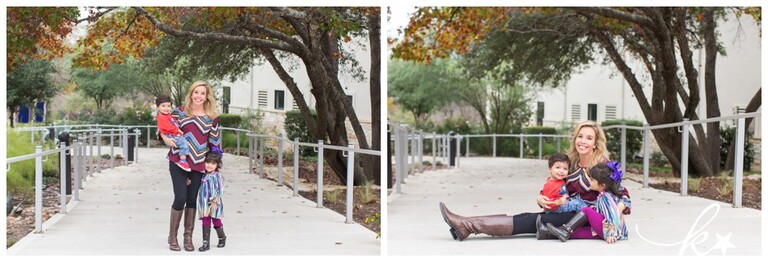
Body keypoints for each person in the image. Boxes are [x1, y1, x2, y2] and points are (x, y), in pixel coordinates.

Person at [439, 121, 632, 241]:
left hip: (586, 219)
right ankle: (465, 227)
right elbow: (553, 187)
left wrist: (612, 216)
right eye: (580, 136)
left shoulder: (603, 166)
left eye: (589, 138)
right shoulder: (568, 163)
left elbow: (623, 195)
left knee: (529, 220)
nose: (582, 141)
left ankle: (467, 226)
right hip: (564, 211)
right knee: (529, 218)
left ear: (596, 143)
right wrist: (541, 198)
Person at [164, 81, 221, 251]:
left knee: (191, 200)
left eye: (202, 93)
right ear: (191, 94)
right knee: (180, 197)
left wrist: (215, 169)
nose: (198, 96)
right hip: (178, 161)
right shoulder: (179, 112)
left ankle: (187, 238)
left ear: (207, 96)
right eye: (196, 92)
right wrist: (166, 139)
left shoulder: (212, 118)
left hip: (198, 164)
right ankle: (172, 237)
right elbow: (163, 128)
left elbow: (215, 145)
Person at [546, 161, 628, 244]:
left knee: (586, 210)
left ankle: (566, 229)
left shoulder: (606, 197)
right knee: (575, 232)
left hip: (609, 231)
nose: (589, 181)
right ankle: (544, 232)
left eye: (592, 180)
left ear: (602, 185)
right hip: (603, 229)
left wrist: (612, 234)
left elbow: (612, 216)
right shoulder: (604, 195)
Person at [197, 150, 227, 251]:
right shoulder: (202, 174)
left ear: (217, 165)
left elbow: (220, 189)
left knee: (216, 220)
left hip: (214, 202)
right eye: (208, 162)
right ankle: (206, 244)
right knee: (205, 220)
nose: (209, 165)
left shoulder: (217, 176)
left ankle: (222, 237)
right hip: (204, 203)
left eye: (213, 163)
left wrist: (215, 201)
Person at [156, 95, 194, 172]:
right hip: (170, 135)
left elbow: (173, 123)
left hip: (173, 133)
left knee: (183, 142)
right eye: (163, 106)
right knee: (184, 144)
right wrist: (177, 130)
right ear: (158, 107)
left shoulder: (168, 115)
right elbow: (166, 127)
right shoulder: (161, 117)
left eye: (168, 106)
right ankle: (183, 161)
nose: (166, 108)